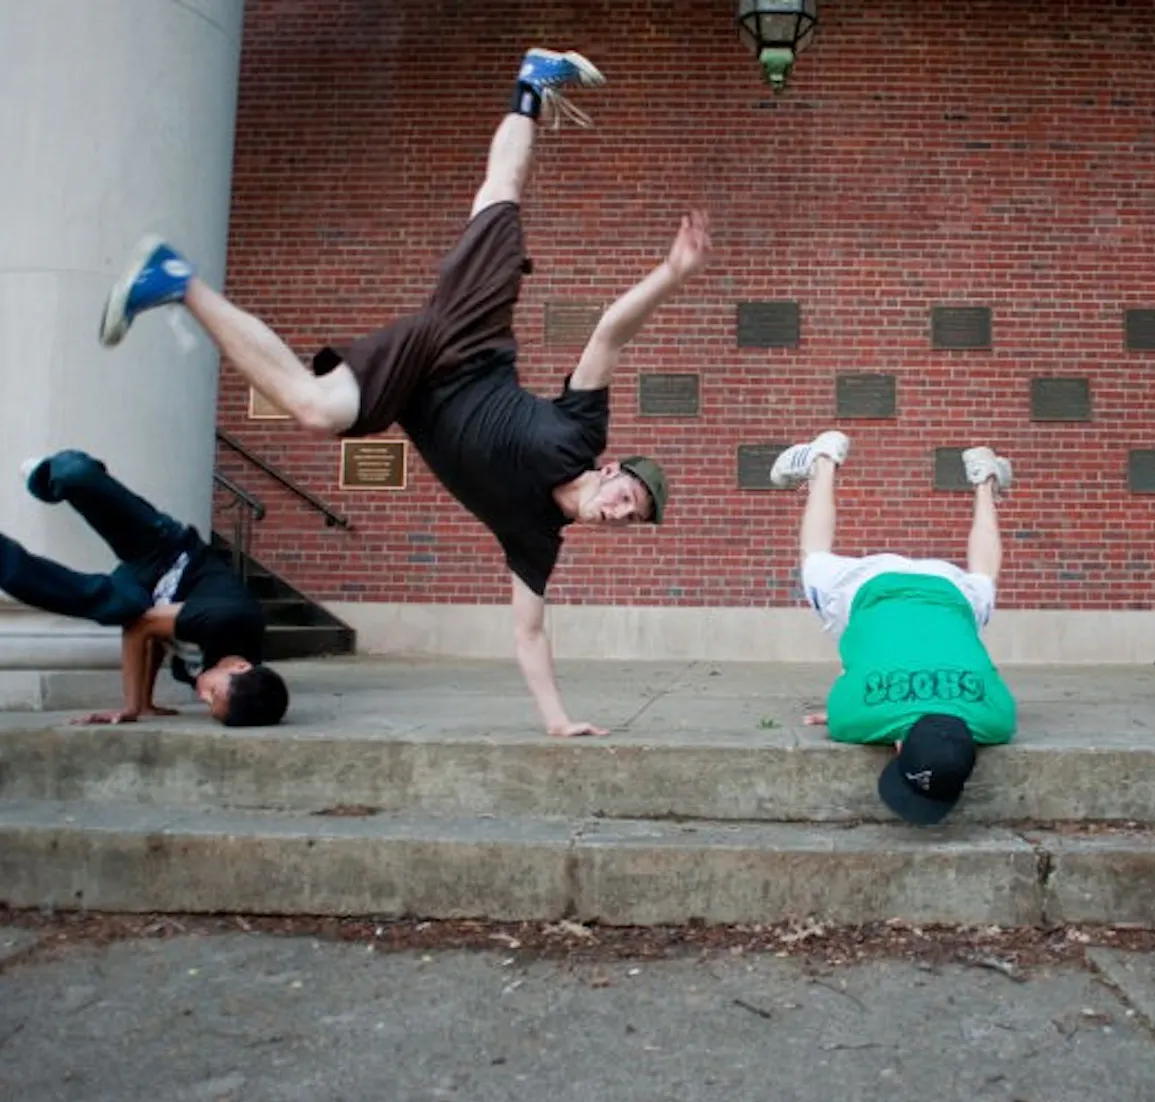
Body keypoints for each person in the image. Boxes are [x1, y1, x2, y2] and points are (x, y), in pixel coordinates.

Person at [96, 48, 711, 737]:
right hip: (464, 341)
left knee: (486, 209)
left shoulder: (535, 538)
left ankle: (179, 282)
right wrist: (671, 273)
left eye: (630, 520)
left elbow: (530, 634)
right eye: (628, 497)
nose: (619, 514)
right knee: (495, 200)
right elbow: (607, 335)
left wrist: (560, 722)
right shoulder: (580, 433)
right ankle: (533, 84)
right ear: (611, 470)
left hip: (411, 395)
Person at [772, 431, 1018, 824]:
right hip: (868, 589)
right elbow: (841, 714)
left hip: (950, 590)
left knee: (984, 579)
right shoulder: (853, 719)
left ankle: (985, 479)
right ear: (897, 748)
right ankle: (822, 461)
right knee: (813, 558)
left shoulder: (998, 721)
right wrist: (862, 710)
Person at [0, 450, 288, 727]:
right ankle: (43, 475)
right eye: (214, 693)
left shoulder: (211, 669)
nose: (202, 696)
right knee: (76, 475)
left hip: (141, 593)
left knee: (41, 587)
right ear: (240, 668)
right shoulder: (235, 620)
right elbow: (144, 628)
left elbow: (160, 637)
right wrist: (132, 706)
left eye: (209, 705)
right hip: (166, 551)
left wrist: (146, 702)